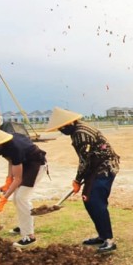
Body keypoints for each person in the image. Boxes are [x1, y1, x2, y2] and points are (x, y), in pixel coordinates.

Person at [45, 107, 120, 253]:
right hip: (95, 167)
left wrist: (77, 180)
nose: (61, 131)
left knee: (96, 202)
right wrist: (80, 180)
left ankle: (109, 241)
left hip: (104, 168)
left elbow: (84, 161)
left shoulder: (80, 133)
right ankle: (102, 236)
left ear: (69, 124)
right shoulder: (77, 129)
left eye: (61, 128)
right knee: (89, 201)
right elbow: (87, 160)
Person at [0, 123, 48, 247]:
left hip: (36, 165)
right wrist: (8, 181)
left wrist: (4, 199)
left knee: (21, 198)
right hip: (24, 163)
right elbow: (11, 161)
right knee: (19, 199)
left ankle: (29, 236)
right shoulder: (3, 144)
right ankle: (25, 225)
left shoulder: (14, 147)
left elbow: (18, 178)